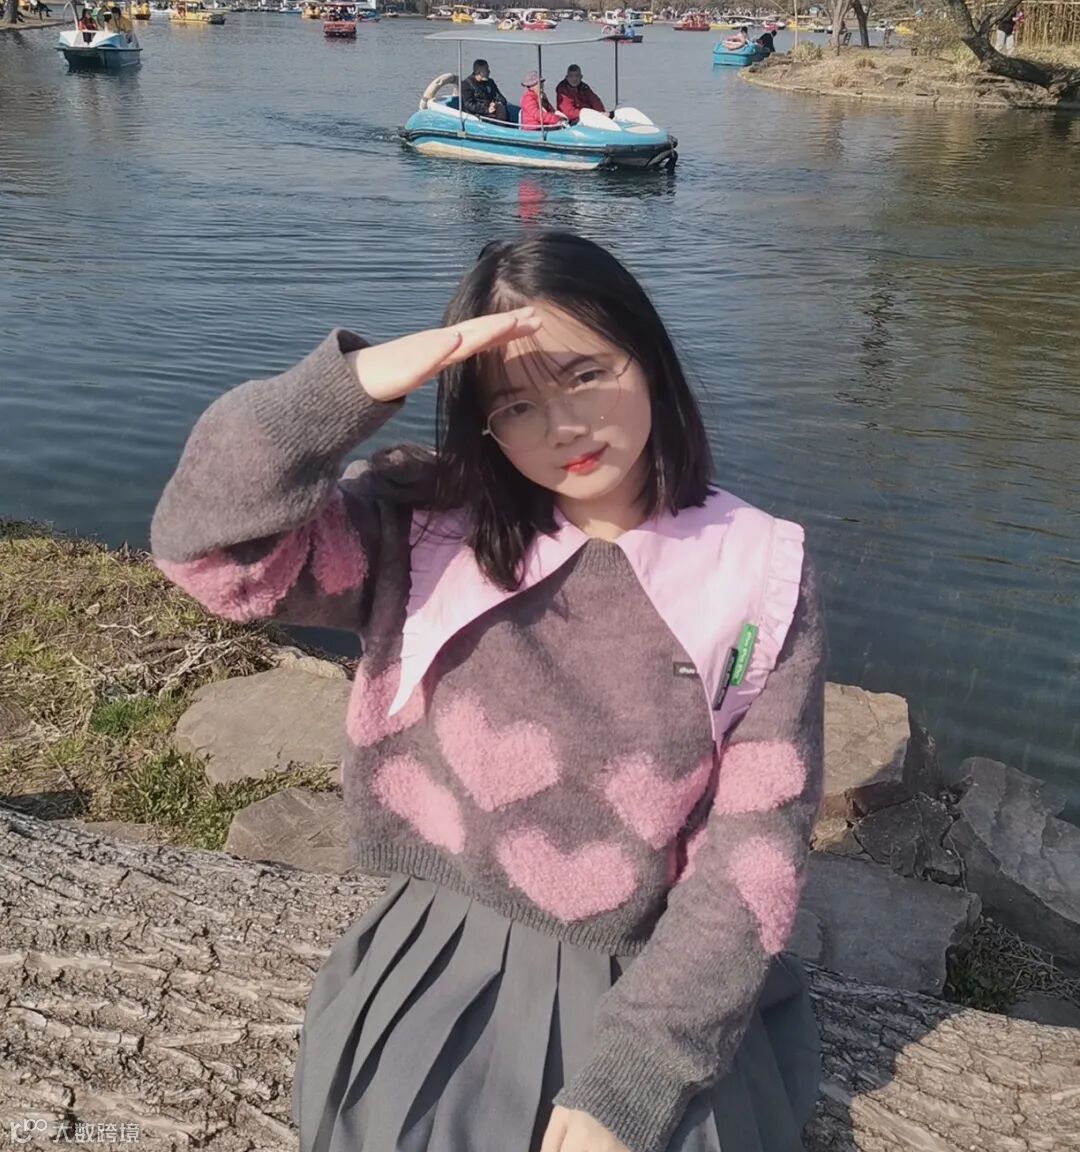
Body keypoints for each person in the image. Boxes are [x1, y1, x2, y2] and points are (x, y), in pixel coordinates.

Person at [151, 229, 826, 1152]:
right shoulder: (424, 532)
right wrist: (346, 390)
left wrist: (637, 1074)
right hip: (442, 949)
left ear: (650, 357)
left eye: (587, 374)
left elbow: (756, 855)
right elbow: (206, 550)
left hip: (655, 975)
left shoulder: (756, 573)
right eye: (515, 405)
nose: (563, 427)